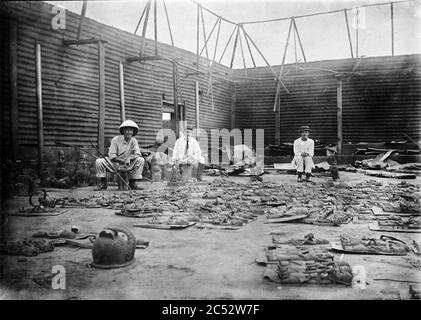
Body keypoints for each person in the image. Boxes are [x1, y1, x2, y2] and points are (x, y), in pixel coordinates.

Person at [95, 120, 145, 190]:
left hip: (128, 164)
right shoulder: (115, 140)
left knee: (141, 160)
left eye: (131, 130)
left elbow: (137, 154)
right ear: (123, 131)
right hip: (115, 163)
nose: (129, 132)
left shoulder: (134, 141)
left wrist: (129, 159)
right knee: (99, 161)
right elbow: (112, 156)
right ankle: (103, 184)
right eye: (127, 130)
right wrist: (123, 160)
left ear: (133, 132)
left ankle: (132, 183)